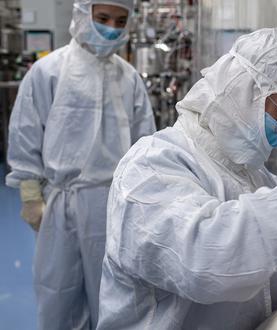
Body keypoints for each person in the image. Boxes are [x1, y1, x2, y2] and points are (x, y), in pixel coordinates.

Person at [97, 27, 277, 329]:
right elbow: (208, 260)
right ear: (243, 87)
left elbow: (273, 252)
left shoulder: (250, 173)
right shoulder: (151, 164)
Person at [5, 0, 156, 329]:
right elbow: (26, 131)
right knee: (59, 293)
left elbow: (147, 145)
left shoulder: (129, 78)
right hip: (62, 205)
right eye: (102, 18)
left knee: (115, 297)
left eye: (119, 20)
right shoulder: (49, 71)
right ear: (81, 14)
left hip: (117, 206)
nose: (111, 28)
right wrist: (31, 194)